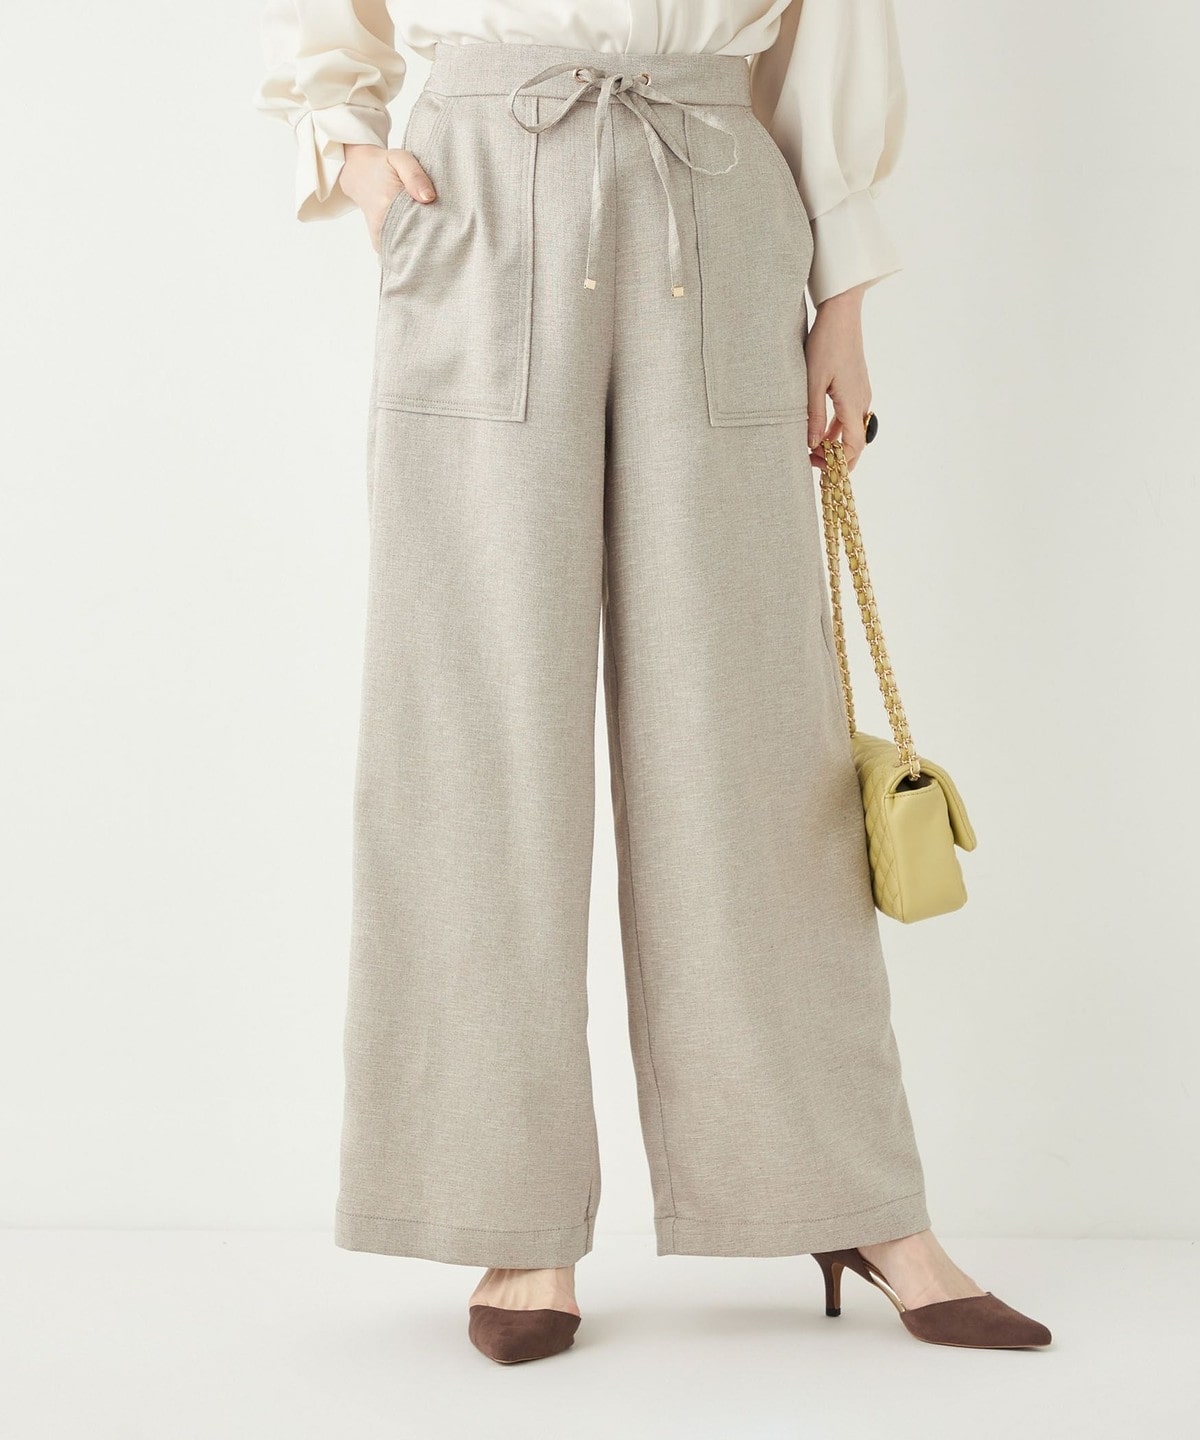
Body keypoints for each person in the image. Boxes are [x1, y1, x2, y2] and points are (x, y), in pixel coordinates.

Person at [254, 1, 1052, 1364]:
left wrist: (843, 306)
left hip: (717, 191)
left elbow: (833, 36)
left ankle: (855, 1202)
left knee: (752, 743)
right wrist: (351, 147)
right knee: (475, 732)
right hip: (478, 195)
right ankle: (508, 1214)